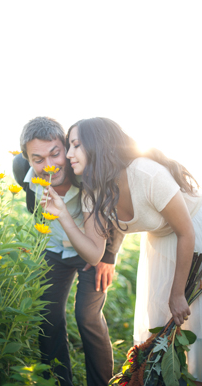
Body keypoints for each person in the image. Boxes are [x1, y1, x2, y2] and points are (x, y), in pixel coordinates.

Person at [41, 117, 202, 382]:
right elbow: (94, 252)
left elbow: (186, 232)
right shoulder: (93, 192)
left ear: (97, 145)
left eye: (75, 145)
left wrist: (177, 294)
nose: (69, 154)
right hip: (160, 241)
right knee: (160, 331)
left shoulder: (145, 172)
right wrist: (63, 216)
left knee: (196, 327)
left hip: (194, 235)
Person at [13, 117, 124, 386]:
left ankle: (100, 382)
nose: (49, 165)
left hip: (93, 249)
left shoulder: (87, 170)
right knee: (47, 314)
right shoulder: (22, 172)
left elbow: (117, 209)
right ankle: (58, 380)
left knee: (87, 316)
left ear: (66, 147)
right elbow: (34, 209)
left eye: (55, 153)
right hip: (52, 249)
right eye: (37, 158)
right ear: (27, 159)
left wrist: (108, 256)